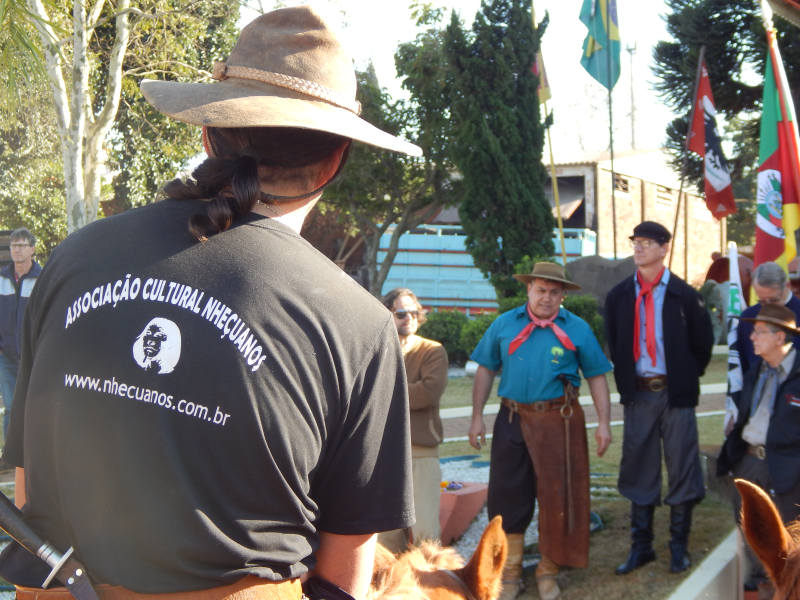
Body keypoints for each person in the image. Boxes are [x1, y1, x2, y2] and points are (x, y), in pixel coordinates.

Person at [0, 7, 421, 600]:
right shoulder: (359, 325)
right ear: (335, 160)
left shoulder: (73, 258)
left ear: (208, 133)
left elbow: (29, 485)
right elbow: (344, 572)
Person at [468, 262, 612, 600]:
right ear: (528, 290)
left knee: (557, 494)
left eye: (554, 292)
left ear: (563, 295)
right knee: (507, 495)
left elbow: (597, 377)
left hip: (558, 421)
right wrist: (477, 417)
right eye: (541, 290)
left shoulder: (577, 329)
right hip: (512, 419)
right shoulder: (505, 324)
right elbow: (486, 370)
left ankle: (549, 569)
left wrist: (604, 422)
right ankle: (511, 573)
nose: (547, 297)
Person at [605, 221, 714, 576]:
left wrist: (680, 377)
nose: (638, 248)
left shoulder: (686, 295)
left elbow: (702, 346)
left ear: (664, 248)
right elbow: (616, 340)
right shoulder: (619, 295)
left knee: (683, 466)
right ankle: (642, 547)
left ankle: (678, 547)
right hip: (639, 394)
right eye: (635, 241)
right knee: (639, 464)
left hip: (676, 394)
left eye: (647, 242)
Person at [717, 304, 800, 591]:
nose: (752, 337)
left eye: (759, 332)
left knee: (787, 541)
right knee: (754, 534)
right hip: (749, 462)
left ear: (780, 337)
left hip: (788, 471)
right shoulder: (756, 370)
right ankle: (759, 589)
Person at [378, 288, 448, 553]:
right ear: (387, 314)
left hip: (421, 452)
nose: (410, 317)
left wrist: (382, 392)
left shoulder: (433, 351)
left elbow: (428, 393)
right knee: (383, 540)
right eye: (401, 312)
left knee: (426, 534)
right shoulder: (376, 351)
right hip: (382, 456)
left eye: (414, 312)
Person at [0, 228, 40, 461]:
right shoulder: (2, 278)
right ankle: (10, 458)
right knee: (11, 408)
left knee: (33, 404)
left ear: (32, 249)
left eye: (21, 245)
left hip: (32, 354)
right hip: (7, 356)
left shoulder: (41, 277)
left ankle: (33, 456)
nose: (16, 249)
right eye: (13, 246)